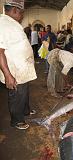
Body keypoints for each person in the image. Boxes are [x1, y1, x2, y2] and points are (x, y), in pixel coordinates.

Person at [0, 1, 37, 130]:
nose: (22, 16)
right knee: (16, 95)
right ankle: (17, 120)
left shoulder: (12, 24)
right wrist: (7, 75)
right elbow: (0, 51)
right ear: (15, 10)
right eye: (21, 13)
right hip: (14, 70)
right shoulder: (3, 24)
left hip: (22, 69)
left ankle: (25, 110)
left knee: (24, 92)